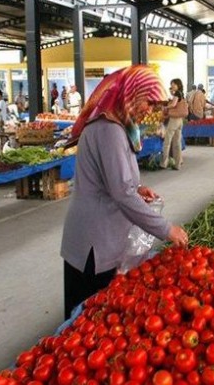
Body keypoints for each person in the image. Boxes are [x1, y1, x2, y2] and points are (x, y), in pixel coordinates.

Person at [61, 65, 189, 319]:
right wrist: (166, 229)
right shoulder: (109, 131)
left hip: (99, 234)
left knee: (92, 318)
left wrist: (137, 187)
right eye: (147, 102)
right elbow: (121, 193)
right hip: (94, 242)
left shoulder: (117, 126)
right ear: (130, 94)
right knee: (87, 318)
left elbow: (115, 181)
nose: (148, 110)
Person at [160, 79, 188, 170]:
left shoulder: (177, 94)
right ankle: (178, 163)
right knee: (177, 142)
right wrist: (172, 92)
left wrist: (165, 107)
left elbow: (173, 104)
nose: (172, 86)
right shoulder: (181, 93)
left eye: (173, 84)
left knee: (167, 142)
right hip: (180, 120)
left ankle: (164, 163)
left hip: (174, 120)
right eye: (171, 84)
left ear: (177, 85)